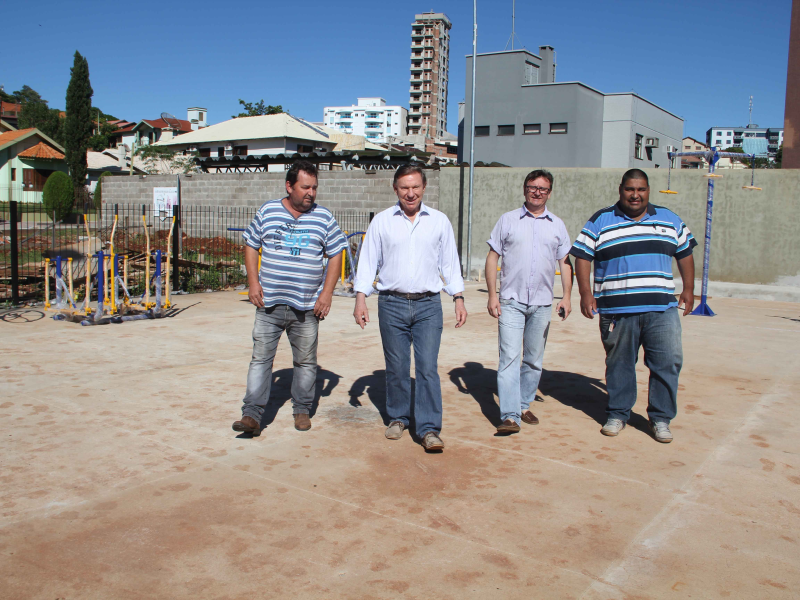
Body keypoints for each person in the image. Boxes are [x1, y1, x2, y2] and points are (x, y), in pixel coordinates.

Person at [570, 168, 697, 443]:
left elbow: (684, 253)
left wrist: (688, 289)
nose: (635, 195)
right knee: (620, 365)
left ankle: (661, 419)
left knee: (667, 363)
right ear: (621, 190)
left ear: (648, 190)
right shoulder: (601, 220)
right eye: (630, 189)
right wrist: (584, 293)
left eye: (641, 189)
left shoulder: (669, 219)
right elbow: (581, 256)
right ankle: (618, 413)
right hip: (617, 311)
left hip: (661, 309)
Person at [353, 164, 467, 452]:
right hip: (391, 304)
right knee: (397, 367)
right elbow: (368, 261)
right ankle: (399, 417)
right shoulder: (381, 221)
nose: (410, 193)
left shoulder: (439, 221)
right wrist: (360, 297)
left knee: (427, 367)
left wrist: (458, 297)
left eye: (415, 186)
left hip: (429, 305)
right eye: (404, 187)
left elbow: (449, 263)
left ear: (424, 188)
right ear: (395, 189)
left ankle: (429, 429)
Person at [232, 161, 347, 436]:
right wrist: (253, 283)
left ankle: (302, 410)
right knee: (260, 360)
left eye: (314, 188)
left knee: (306, 362)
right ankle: (252, 415)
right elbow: (251, 244)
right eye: (305, 187)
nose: (311, 193)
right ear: (289, 186)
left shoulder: (324, 217)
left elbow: (336, 253)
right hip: (269, 303)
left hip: (307, 307)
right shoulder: (268, 210)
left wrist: (327, 293)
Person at [485, 169, 573, 434]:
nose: (537, 192)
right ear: (524, 189)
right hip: (511, 300)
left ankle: (523, 405)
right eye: (533, 187)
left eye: (543, 189)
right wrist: (492, 295)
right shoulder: (508, 220)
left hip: (543, 303)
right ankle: (510, 415)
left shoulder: (556, 224)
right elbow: (492, 258)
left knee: (534, 359)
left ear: (549, 193)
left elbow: (565, 263)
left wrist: (567, 296)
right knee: (509, 358)